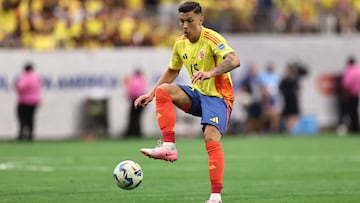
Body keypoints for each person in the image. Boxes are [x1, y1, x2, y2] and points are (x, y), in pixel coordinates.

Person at [134, 2, 240, 202]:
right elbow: (173, 71)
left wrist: (211, 72)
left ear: (201, 20)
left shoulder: (211, 38)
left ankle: (216, 196)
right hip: (198, 95)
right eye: (182, 21)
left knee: (210, 137)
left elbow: (234, 60)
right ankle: (169, 148)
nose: (185, 26)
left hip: (218, 97)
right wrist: (151, 94)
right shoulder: (180, 43)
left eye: (190, 21)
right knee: (163, 91)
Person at [15, 63, 42, 141]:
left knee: (22, 119)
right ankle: (31, 135)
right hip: (34, 101)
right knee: (31, 118)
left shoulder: (25, 77)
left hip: (24, 101)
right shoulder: (36, 78)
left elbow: (20, 87)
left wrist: (16, 84)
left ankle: (21, 135)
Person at [124, 68, 147, 137]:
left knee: (133, 117)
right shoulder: (142, 80)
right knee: (138, 118)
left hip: (135, 99)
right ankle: (137, 132)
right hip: (142, 100)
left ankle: (132, 132)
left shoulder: (133, 80)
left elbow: (131, 91)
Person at [342, 56, 360, 133]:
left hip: (350, 95)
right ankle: (356, 127)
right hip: (357, 94)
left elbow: (346, 84)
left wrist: (345, 96)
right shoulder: (358, 70)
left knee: (351, 112)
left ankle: (353, 128)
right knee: (355, 111)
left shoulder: (349, 71)